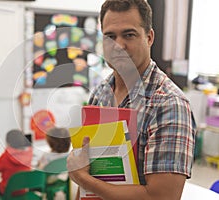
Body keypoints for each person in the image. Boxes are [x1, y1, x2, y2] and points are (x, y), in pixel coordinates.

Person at [67, 0, 196, 199]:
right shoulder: (100, 95)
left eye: (129, 34)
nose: (118, 45)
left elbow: (161, 197)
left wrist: (82, 179)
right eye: (110, 36)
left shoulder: (169, 104)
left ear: (149, 37)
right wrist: (83, 181)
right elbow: (88, 174)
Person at [0, 129, 33, 200]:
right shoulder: (29, 154)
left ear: (8, 142)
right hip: (22, 190)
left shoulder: (5, 156)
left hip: (7, 190)